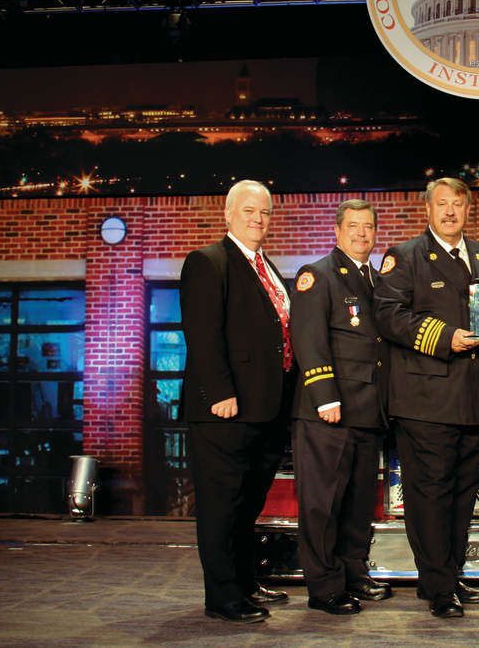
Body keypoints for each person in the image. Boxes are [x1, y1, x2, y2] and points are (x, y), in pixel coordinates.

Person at [373, 178, 479, 619]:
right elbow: (388, 315)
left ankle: (452, 573)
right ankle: (437, 588)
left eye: (458, 205)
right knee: (430, 494)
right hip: (425, 397)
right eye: (442, 204)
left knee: (464, 494)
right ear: (427, 209)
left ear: (469, 210)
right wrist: (447, 337)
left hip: (477, 397)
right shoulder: (405, 256)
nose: (450, 212)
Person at [179, 180, 294, 624]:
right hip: (226, 410)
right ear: (228, 214)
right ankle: (222, 596)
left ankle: (245, 582)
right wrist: (220, 393)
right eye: (248, 211)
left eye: (264, 212)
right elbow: (203, 336)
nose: (257, 219)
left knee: (248, 504)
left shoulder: (267, 267)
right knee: (221, 505)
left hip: (266, 408)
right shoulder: (208, 262)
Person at [289, 199, 392, 616]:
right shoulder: (318, 275)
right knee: (322, 503)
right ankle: (325, 585)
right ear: (337, 230)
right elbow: (308, 338)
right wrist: (325, 396)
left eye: (368, 227)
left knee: (357, 502)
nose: (361, 234)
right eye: (353, 226)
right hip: (328, 411)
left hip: (368, 410)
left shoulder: (378, 279)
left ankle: (353, 570)